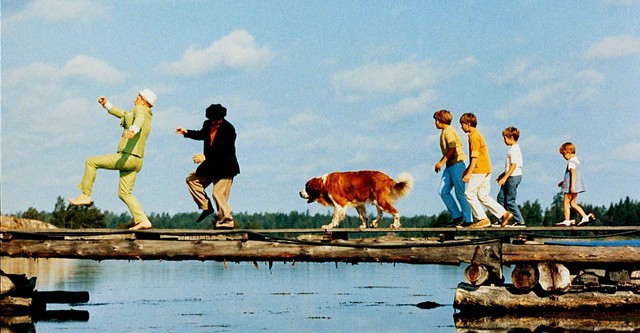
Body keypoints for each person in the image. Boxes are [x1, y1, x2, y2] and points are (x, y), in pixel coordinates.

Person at [68, 89, 157, 230]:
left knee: (91, 162)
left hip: (127, 156)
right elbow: (123, 114)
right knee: (124, 193)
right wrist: (106, 104)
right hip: (137, 161)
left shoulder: (140, 110)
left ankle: (85, 195)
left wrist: (133, 130)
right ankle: (143, 220)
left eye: (138, 96)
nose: (135, 98)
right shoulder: (147, 114)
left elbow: (138, 120)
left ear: (142, 100)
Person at [176, 104, 240, 229]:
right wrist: (187, 132)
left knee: (218, 193)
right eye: (215, 119)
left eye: (220, 119)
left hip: (225, 167)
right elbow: (201, 135)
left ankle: (226, 221)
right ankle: (206, 207)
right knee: (192, 179)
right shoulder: (207, 125)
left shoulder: (229, 130)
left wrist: (206, 157)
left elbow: (225, 151)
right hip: (211, 167)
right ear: (210, 119)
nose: (218, 122)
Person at [459, 113, 513, 228]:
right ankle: (503, 214)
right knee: (483, 195)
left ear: (468, 124)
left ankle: (482, 218)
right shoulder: (476, 135)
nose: (461, 127)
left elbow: (475, 157)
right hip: (486, 168)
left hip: (479, 169)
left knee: (469, 193)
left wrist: (469, 173)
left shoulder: (473, 136)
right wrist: (468, 169)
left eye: (462, 124)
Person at [433, 110, 472, 227]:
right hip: (450, 166)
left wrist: (441, 163)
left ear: (441, 120)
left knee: (460, 193)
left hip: (457, 164)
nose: (435, 122)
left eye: (437, 120)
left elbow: (452, 148)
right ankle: (457, 216)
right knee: (443, 191)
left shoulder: (448, 131)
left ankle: (467, 219)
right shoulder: (444, 131)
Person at [556, 142, 596, 226]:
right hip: (576, 186)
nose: (563, 157)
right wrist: (563, 182)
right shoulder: (577, 161)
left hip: (571, 187)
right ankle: (585, 216)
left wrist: (572, 187)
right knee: (573, 203)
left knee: (566, 202)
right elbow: (573, 175)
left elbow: (573, 174)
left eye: (563, 154)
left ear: (568, 152)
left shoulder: (571, 162)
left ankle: (567, 220)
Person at [495, 127, 525, 227]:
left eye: (505, 138)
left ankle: (520, 221)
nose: (504, 140)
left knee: (510, 200)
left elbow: (514, 165)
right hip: (510, 176)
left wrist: (505, 177)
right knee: (501, 197)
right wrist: (502, 175)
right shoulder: (512, 149)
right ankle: (502, 218)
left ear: (511, 137)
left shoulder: (514, 149)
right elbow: (510, 166)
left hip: (513, 177)